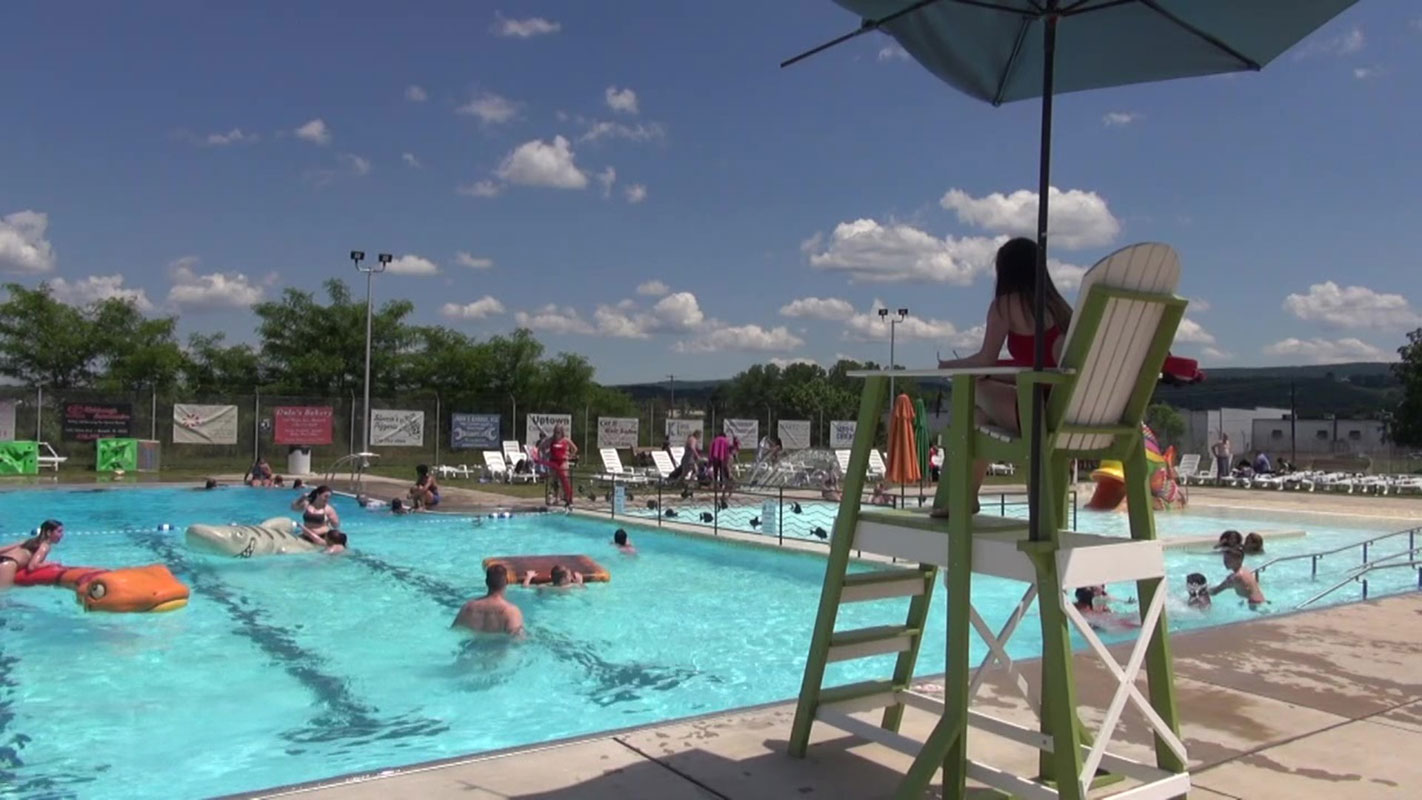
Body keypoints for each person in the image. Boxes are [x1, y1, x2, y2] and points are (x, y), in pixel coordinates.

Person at [931, 237, 1072, 518]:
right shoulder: (1061, 308)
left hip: (1034, 416)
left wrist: (950, 365)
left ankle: (963, 497)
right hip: (1063, 410)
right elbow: (1044, 368)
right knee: (976, 418)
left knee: (972, 387)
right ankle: (967, 497)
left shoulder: (1005, 306)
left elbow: (984, 362)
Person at [452, 564, 526, 638]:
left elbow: (453, 631)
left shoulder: (467, 607)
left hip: (471, 648)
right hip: (498, 649)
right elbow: (518, 640)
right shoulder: (511, 611)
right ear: (506, 582)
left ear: (486, 582)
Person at [0, 520, 63, 589]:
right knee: (4, 594)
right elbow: (32, 566)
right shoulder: (45, 546)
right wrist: (51, 563)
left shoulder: (29, 541)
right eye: (59, 531)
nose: (62, 535)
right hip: (8, 564)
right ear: (49, 533)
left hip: (3, 559)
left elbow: (3, 549)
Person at [545, 424, 578, 508]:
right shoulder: (551, 440)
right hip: (553, 462)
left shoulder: (565, 440)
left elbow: (575, 448)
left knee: (565, 481)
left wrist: (569, 456)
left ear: (562, 432)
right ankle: (555, 497)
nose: (557, 434)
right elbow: (541, 447)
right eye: (556, 432)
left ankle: (569, 498)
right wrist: (545, 456)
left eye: (559, 432)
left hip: (562, 462)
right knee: (554, 481)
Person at [708, 430, 734, 502]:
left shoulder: (714, 440)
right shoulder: (726, 440)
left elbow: (711, 451)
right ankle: (722, 486)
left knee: (716, 471)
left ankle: (716, 485)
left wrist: (710, 460)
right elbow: (727, 450)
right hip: (722, 458)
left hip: (715, 457)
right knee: (723, 473)